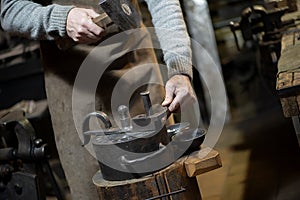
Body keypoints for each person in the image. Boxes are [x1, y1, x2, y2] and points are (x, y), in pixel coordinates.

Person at [1, 0, 197, 199]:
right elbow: (7, 10)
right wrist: (61, 19)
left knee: (164, 184)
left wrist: (179, 68)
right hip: (72, 78)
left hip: (135, 63)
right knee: (93, 190)